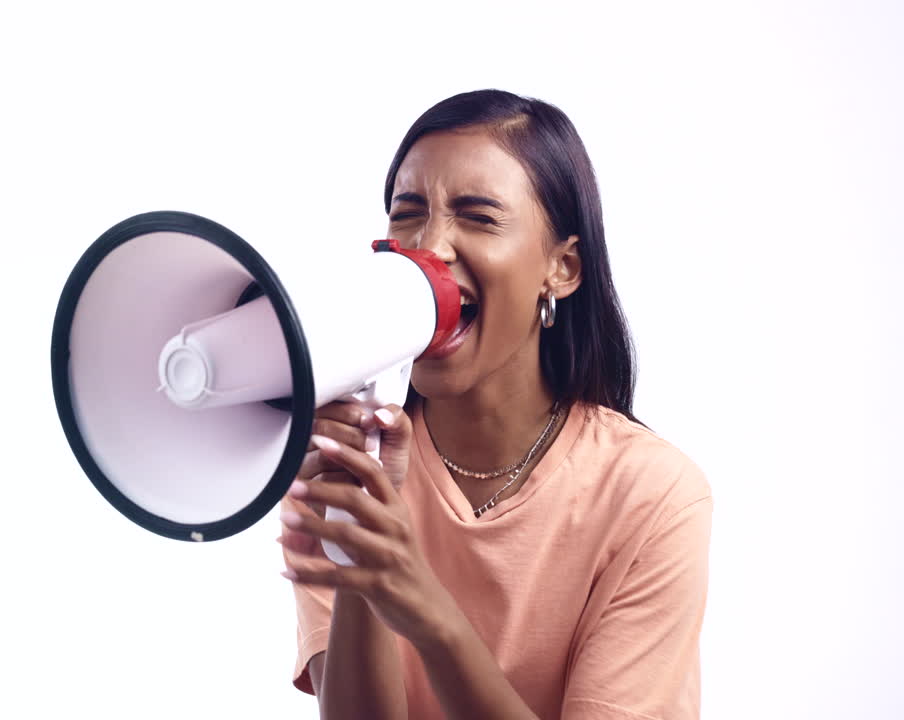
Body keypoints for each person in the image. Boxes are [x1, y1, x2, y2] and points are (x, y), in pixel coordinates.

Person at [278, 89, 712, 720]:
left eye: (478, 217)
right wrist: (357, 562)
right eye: (407, 214)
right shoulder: (342, 463)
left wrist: (429, 616)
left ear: (562, 269)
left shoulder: (655, 496)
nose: (430, 248)